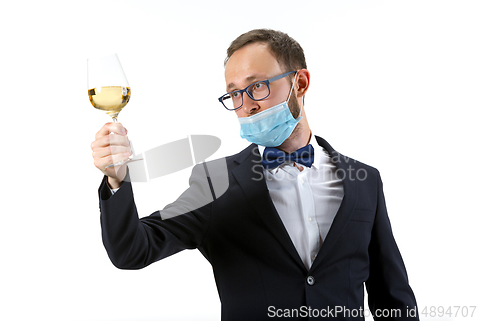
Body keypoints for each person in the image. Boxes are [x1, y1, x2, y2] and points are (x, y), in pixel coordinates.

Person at [91, 29, 419, 320]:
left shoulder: (365, 179)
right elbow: (133, 250)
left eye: (257, 86)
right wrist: (117, 180)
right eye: (234, 93)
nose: (246, 105)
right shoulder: (214, 181)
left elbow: (391, 297)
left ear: (300, 83)